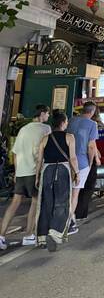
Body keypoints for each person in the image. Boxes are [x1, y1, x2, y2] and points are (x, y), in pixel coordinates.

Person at [0, 104, 51, 250]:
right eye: (47, 114)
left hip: (21, 171)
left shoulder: (23, 129)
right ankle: (29, 235)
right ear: (42, 114)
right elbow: (44, 151)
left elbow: (15, 153)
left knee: (15, 203)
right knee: (35, 202)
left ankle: (1, 236)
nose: (48, 117)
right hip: (34, 171)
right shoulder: (45, 129)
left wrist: (16, 172)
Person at [35, 111, 79, 252]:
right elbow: (72, 158)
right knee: (62, 202)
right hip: (63, 170)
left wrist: (37, 176)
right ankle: (54, 232)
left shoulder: (45, 138)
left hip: (47, 171)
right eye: (66, 122)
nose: (67, 124)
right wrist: (76, 173)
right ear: (63, 122)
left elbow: (39, 160)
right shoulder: (69, 137)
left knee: (46, 203)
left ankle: (42, 236)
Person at [67, 101, 100, 234]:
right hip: (81, 162)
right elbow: (91, 146)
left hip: (67, 161)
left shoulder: (71, 120)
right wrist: (92, 161)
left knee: (67, 192)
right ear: (92, 112)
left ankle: (66, 217)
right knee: (75, 193)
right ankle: (70, 221)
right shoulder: (93, 124)